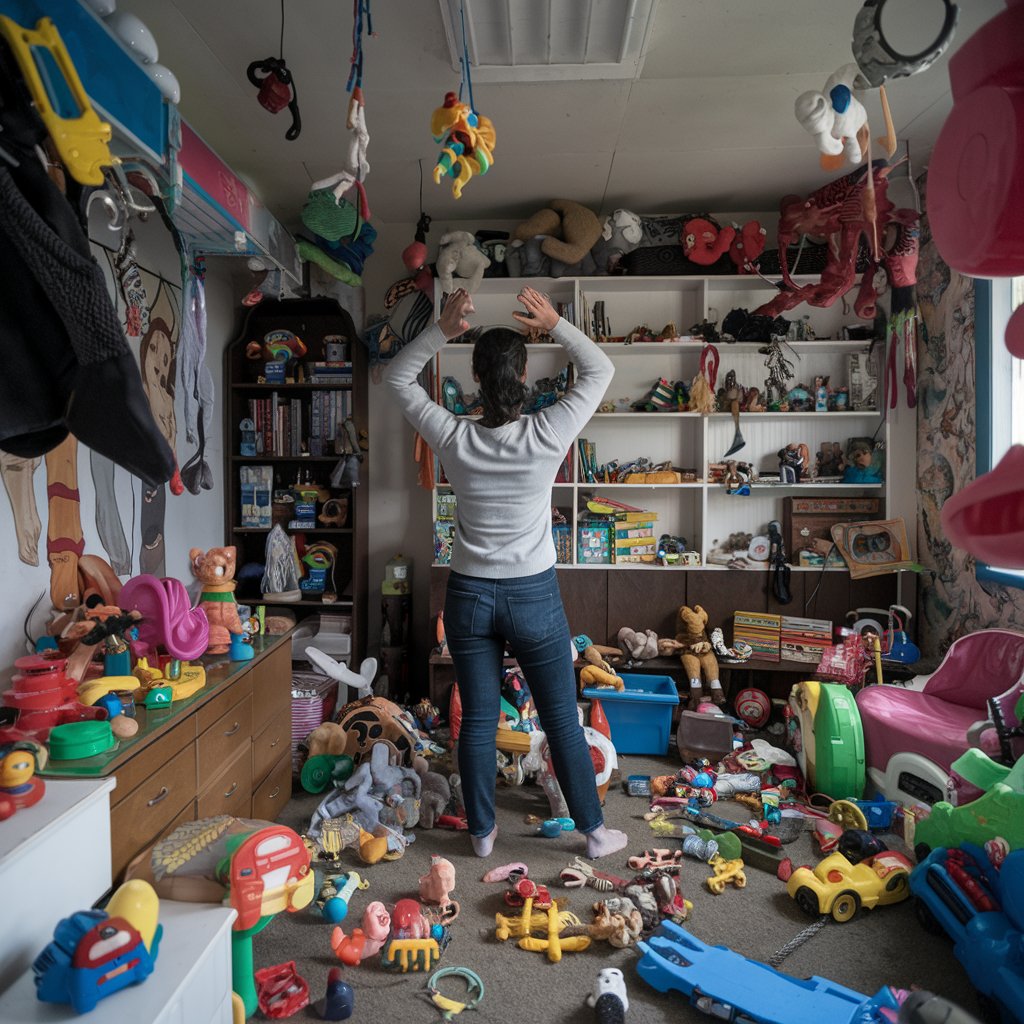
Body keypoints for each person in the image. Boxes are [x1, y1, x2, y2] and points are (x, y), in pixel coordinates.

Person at [385, 286, 627, 860]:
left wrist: (440, 329)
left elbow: (397, 379)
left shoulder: (454, 435)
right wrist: (557, 325)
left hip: (468, 594)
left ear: (474, 376)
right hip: (533, 596)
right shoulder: (547, 433)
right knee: (561, 719)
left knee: (477, 722)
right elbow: (601, 368)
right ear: (522, 374)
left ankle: (482, 834)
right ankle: (593, 835)